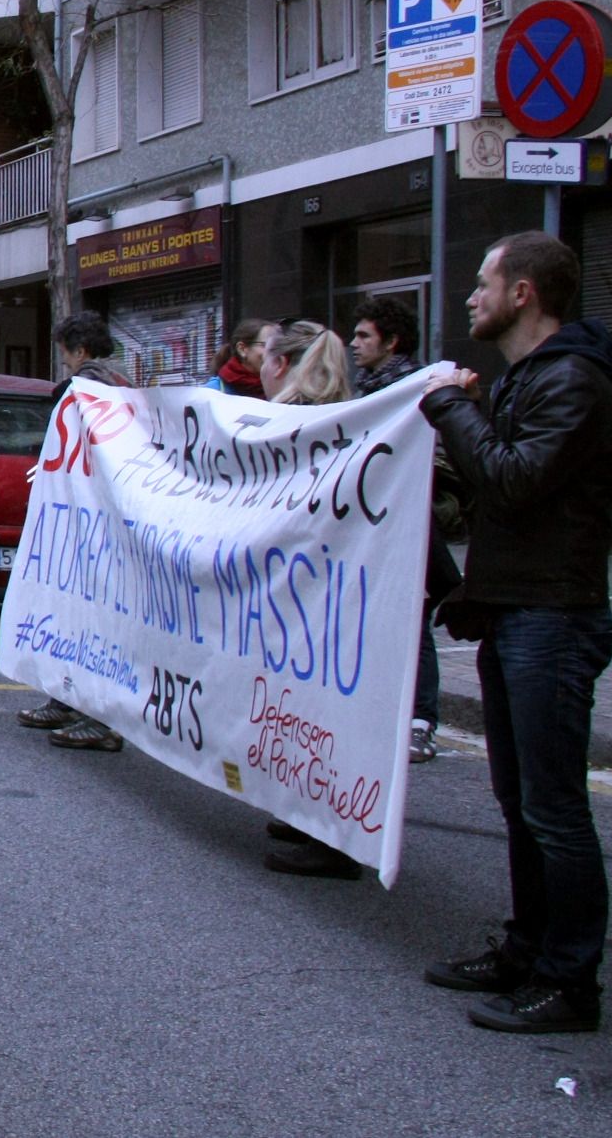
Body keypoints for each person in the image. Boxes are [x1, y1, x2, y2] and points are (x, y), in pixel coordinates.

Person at [419, 231, 612, 1035]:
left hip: (553, 617)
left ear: (523, 293)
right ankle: (528, 948)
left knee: (553, 807)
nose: (472, 297)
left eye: (483, 282)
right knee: (521, 802)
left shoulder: (573, 379)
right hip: (517, 610)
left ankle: (570, 981)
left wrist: (451, 409)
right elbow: (492, 489)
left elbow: (515, 479)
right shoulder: (528, 378)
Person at [247, 321, 376, 879]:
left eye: (265, 358)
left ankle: (332, 836)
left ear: (279, 365)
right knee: (319, 708)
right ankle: (312, 816)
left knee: (309, 706)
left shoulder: (290, 425)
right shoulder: (348, 416)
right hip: (335, 591)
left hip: (312, 591)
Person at [19, 311, 136, 749]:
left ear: (81, 351)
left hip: (89, 520)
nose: (64, 362)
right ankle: (67, 697)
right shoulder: (125, 385)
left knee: (88, 617)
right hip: (104, 517)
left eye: (65, 354)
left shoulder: (85, 390)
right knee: (77, 613)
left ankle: (96, 717)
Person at [351, 293, 452, 764]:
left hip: (412, 525)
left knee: (415, 621)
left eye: (363, 335)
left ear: (391, 342)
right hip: (376, 525)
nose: (354, 343)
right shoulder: (367, 392)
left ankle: (421, 721)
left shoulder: (419, 392)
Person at [203, 319, 277, 397]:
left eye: (278, 346)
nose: (276, 353)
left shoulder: (279, 388)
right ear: (242, 349)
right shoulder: (213, 391)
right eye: (267, 345)